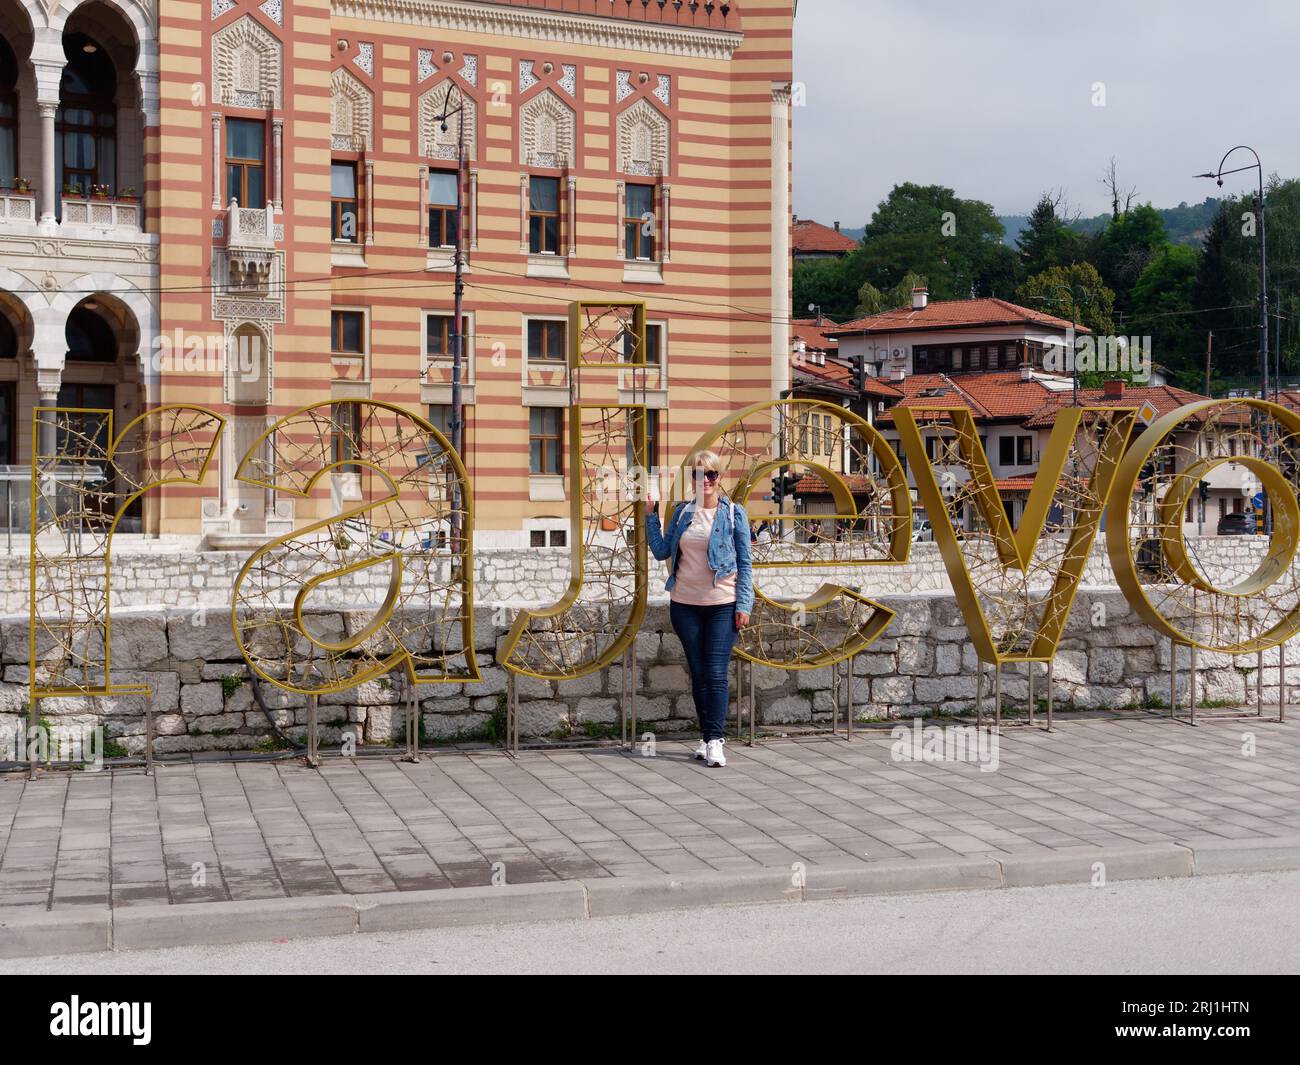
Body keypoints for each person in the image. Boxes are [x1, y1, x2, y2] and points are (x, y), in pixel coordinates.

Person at [644, 451, 753, 767]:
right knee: (700, 673)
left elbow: (745, 564)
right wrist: (651, 516)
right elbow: (662, 551)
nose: (704, 480)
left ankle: (716, 741)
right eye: (698, 474)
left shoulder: (734, 514)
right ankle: (706, 738)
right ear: (691, 478)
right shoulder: (681, 513)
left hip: (722, 605)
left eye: (711, 475)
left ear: (719, 478)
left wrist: (744, 604)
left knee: (716, 673)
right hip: (685, 605)